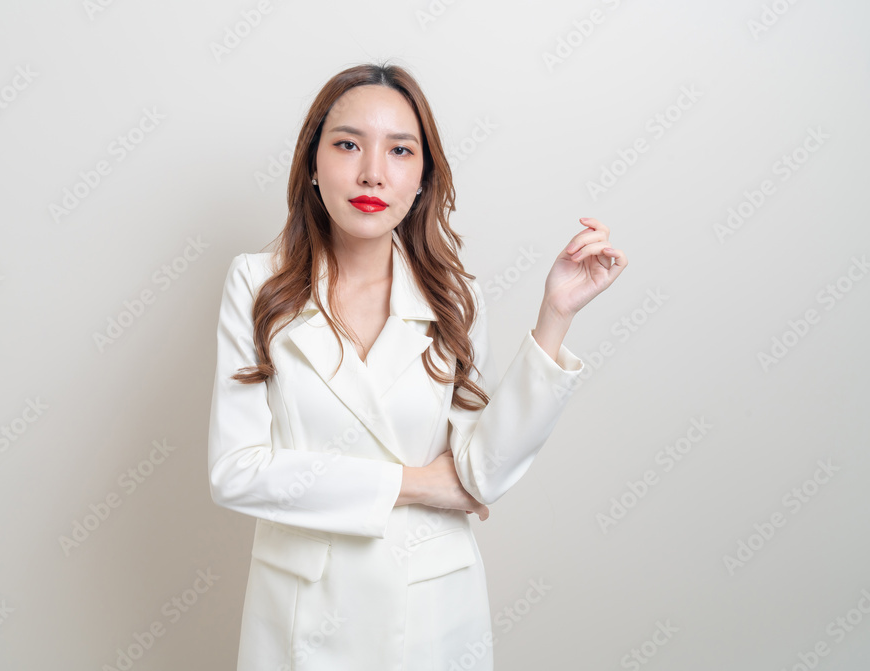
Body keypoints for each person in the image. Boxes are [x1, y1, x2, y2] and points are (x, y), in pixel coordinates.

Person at [208, 62, 627, 670]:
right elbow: (236, 471)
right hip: (304, 616)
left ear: (424, 176)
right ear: (312, 165)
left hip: (430, 613)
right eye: (347, 144)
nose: (372, 171)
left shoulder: (454, 299)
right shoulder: (257, 285)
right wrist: (414, 484)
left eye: (400, 150)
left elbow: (482, 473)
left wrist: (555, 313)